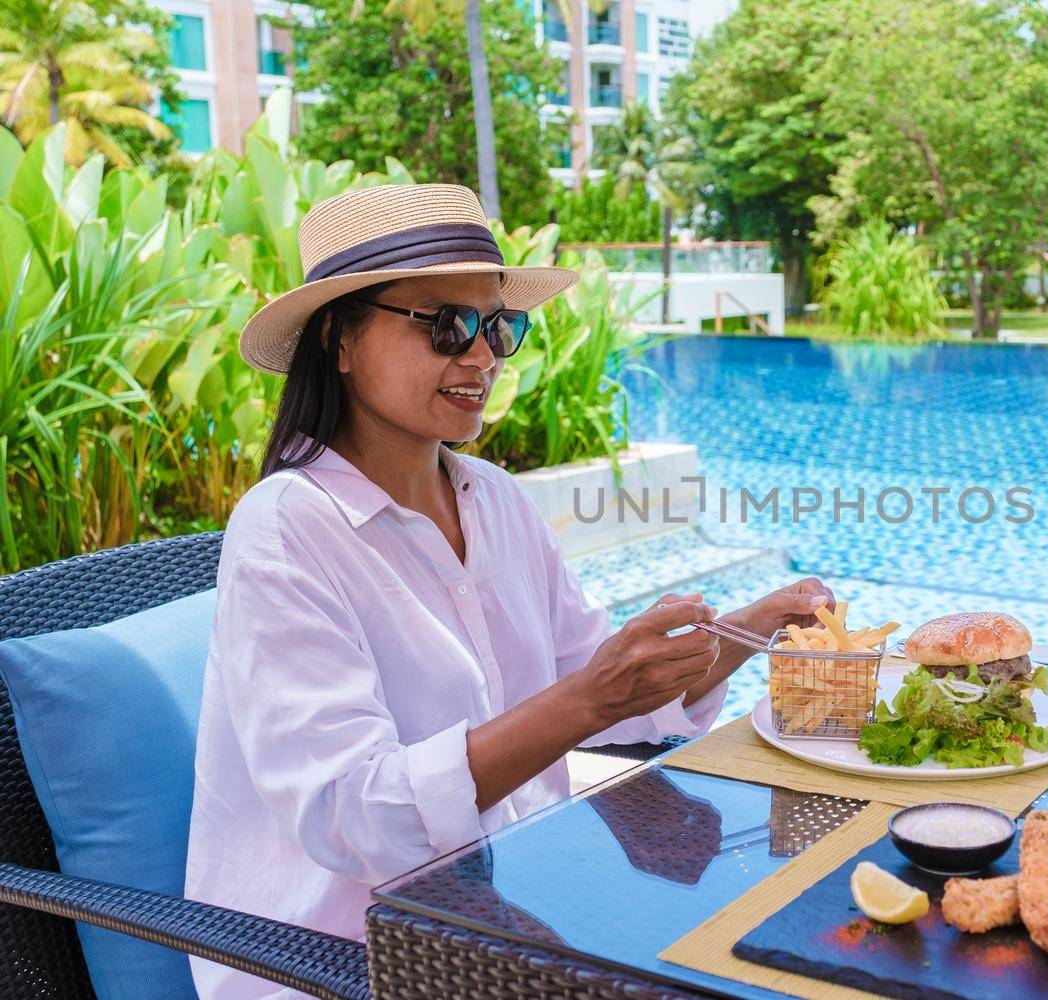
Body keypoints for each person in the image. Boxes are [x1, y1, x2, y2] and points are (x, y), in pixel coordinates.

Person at [184, 184, 833, 998]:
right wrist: (587, 702)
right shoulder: (286, 532)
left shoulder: (493, 498)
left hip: (514, 906)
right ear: (339, 339)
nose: (483, 355)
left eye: (498, 325)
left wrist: (743, 632)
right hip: (345, 957)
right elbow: (357, 816)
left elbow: (606, 690)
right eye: (444, 323)